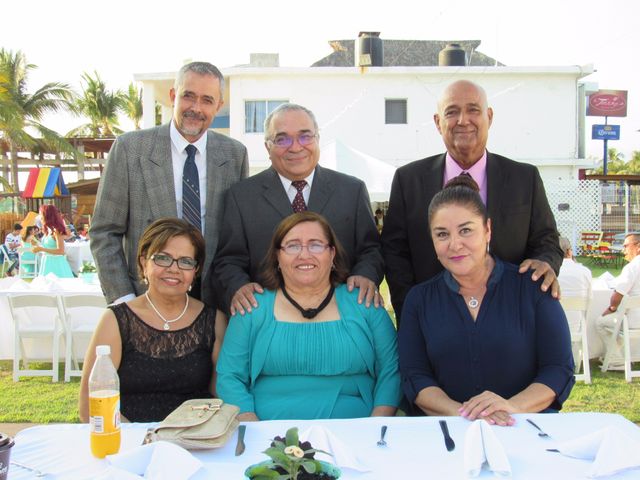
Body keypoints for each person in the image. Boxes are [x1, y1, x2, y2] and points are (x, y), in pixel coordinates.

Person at [382, 80, 563, 323]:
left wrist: (544, 262)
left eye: (473, 110)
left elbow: (547, 240)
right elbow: (395, 253)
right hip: (433, 323)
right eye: (452, 112)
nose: (463, 120)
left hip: (512, 320)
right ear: (438, 122)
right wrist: (413, 311)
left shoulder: (524, 178)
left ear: (489, 116)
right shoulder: (408, 179)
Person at [398, 176, 574, 425]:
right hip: (448, 432)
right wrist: (467, 415)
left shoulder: (533, 288)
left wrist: (511, 407)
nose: (454, 244)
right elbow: (415, 376)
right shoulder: (419, 300)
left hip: (524, 428)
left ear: (488, 229)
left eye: (466, 230)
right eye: (442, 234)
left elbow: (558, 368)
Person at [90, 61, 249, 306]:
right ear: (173, 96)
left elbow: (236, 239)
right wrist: (124, 302)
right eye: (188, 96)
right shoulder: (130, 150)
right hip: (145, 302)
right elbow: (104, 232)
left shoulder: (234, 155)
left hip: (213, 307)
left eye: (207, 100)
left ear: (219, 105)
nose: (196, 108)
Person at [216, 212, 400, 421]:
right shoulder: (252, 306)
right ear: (277, 256)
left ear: (332, 254)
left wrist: (375, 426)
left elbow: (391, 370)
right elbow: (229, 377)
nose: (304, 255)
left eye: (316, 245)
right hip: (267, 437)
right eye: (293, 245)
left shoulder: (364, 303)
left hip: (355, 433)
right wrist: (254, 431)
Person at [213, 103, 383, 316]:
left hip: (341, 315)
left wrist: (366, 275)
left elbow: (370, 250)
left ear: (317, 139)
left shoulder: (352, 190)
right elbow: (228, 261)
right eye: (282, 139)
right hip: (267, 320)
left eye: (305, 136)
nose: (295, 147)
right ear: (268, 147)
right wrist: (238, 287)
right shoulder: (242, 196)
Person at [79, 218, 226, 423]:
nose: (174, 269)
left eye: (185, 261)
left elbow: (222, 396)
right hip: (131, 441)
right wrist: (144, 442)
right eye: (163, 258)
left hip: (195, 440)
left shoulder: (214, 321)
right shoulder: (115, 321)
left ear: (195, 270)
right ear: (143, 262)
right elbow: (90, 406)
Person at [597, 233, 640, 359]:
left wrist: (611, 309)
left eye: (626, 246)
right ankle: (621, 355)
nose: (624, 250)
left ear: (638, 247)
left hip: (634, 321)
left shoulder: (632, 267)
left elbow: (617, 296)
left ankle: (616, 360)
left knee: (600, 322)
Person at [32, 205, 74, 278]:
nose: (40, 217)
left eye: (41, 214)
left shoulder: (56, 231)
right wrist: (37, 245)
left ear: (47, 215)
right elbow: (49, 246)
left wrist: (41, 249)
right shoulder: (48, 230)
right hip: (47, 262)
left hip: (56, 263)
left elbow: (61, 251)